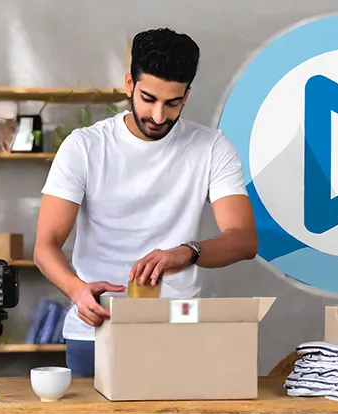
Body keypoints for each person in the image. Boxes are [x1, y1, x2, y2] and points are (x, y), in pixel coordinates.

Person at [34, 27, 258, 379]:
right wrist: (77, 290)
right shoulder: (85, 147)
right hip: (95, 331)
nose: (157, 116)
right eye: (148, 98)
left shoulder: (211, 147)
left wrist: (188, 251)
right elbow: (45, 246)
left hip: (179, 332)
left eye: (172, 103)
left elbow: (244, 239)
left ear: (186, 96)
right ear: (129, 85)